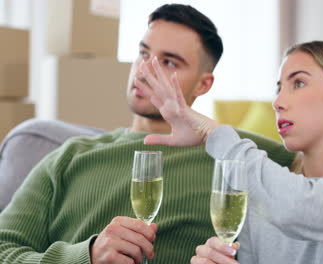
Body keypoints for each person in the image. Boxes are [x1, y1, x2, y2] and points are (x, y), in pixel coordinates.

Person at [0, 4, 294, 264]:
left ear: (204, 85)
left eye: (168, 62)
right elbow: (4, 249)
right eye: (143, 53)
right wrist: (84, 256)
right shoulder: (69, 156)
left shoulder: (241, 154)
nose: (143, 70)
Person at [138, 41, 323, 263]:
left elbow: (299, 206)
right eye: (278, 88)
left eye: (298, 83)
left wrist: (213, 134)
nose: (277, 101)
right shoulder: (262, 203)